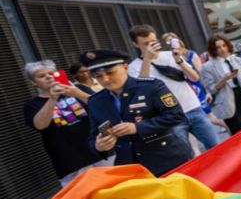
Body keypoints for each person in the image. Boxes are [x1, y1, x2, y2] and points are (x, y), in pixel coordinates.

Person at [84, 49, 192, 177]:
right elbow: (92, 136)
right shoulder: (95, 101)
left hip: (167, 159)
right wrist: (99, 146)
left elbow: (176, 116)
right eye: (98, 76)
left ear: (125, 67)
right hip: (130, 168)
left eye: (110, 72)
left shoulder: (151, 87)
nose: (105, 80)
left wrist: (137, 127)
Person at [127, 25, 218, 151]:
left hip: (193, 108)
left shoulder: (170, 55)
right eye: (145, 44)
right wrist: (147, 59)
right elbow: (142, 89)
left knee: (215, 147)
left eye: (153, 42)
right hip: (170, 117)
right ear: (135, 44)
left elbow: (194, 78)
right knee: (185, 155)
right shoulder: (134, 67)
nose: (150, 46)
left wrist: (179, 61)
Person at [22, 60, 107, 187]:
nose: (48, 77)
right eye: (41, 76)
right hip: (70, 161)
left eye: (51, 73)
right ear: (34, 82)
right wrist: (52, 98)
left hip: (102, 150)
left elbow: (104, 107)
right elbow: (40, 125)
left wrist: (76, 92)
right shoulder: (32, 105)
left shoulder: (78, 89)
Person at [201, 34, 241, 135]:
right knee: (239, 133)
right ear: (213, 50)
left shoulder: (237, 60)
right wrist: (225, 79)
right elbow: (212, 89)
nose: (222, 49)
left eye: (224, 45)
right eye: (218, 47)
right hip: (226, 101)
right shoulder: (207, 67)